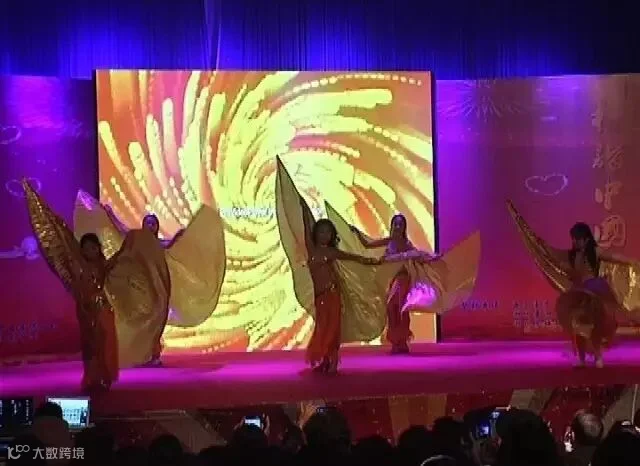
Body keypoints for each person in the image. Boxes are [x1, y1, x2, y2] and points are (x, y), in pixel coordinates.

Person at [507, 202, 637, 368]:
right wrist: (537, 242)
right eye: (573, 239)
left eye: (577, 239)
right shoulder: (571, 255)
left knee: (595, 326)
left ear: (586, 239)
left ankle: (598, 357)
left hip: (595, 292)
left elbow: (614, 257)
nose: (575, 242)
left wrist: (631, 261)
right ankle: (582, 359)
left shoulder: (594, 252)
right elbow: (552, 253)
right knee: (578, 327)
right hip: (579, 295)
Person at [303, 213, 380, 373]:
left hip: (332, 294)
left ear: (332, 235)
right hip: (320, 297)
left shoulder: (331, 252)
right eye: (321, 231)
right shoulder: (311, 249)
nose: (325, 235)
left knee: (333, 328)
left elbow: (351, 257)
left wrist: (369, 261)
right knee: (322, 328)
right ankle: (324, 361)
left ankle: (333, 361)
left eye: (328, 232)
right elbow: (306, 225)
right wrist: (302, 206)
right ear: (315, 233)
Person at [352, 214, 437, 353]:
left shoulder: (406, 244)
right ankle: (397, 342)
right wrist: (356, 233)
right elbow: (368, 245)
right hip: (392, 281)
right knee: (393, 308)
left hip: (403, 280)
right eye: (395, 224)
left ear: (404, 227)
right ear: (392, 226)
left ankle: (402, 341)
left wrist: (433, 258)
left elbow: (419, 255)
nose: (398, 227)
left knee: (400, 307)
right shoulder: (389, 241)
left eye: (400, 224)